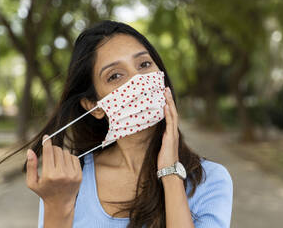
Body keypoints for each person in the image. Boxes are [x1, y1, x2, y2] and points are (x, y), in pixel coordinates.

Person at [21, 20, 233, 228]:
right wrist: (58, 206)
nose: (137, 80)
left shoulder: (209, 180)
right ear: (94, 106)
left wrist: (171, 173)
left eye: (144, 64)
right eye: (115, 76)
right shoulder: (67, 182)